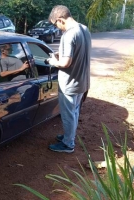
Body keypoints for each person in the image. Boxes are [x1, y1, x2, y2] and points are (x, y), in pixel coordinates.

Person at [46, 5, 91, 153]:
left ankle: (68, 144)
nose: (57, 28)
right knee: (75, 111)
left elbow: (65, 63)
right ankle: (69, 136)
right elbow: (80, 49)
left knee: (67, 115)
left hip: (70, 84)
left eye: (56, 24)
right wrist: (63, 52)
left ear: (60, 20)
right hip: (82, 80)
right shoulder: (83, 29)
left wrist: (53, 62)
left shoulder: (68, 34)